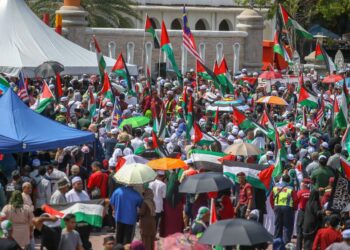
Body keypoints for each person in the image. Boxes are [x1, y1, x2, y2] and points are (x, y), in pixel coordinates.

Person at [65, 177, 91, 250]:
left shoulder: (84, 193)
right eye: (78, 184)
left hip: (85, 221)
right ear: (73, 185)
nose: (80, 185)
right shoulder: (69, 194)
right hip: (75, 222)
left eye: (81, 183)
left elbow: (89, 204)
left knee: (85, 240)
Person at [271, 174, 297, 244]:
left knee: (278, 225)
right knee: (287, 225)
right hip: (288, 208)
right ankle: (286, 243)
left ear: (282, 179)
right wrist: (294, 209)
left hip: (277, 207)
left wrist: (274, 207)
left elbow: (271, 198)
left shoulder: (275, 187)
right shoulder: (291, 188)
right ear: (289, 180)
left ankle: (276, 241)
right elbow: (295, 199)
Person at [296, 179, 311, 250]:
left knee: (299, 231)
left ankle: (298, 248)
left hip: (301, 213)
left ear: (304, 184)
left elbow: (295, 202)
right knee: (307, 231)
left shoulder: (300, 192)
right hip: (309, 214)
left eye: (302, 183)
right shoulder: (311, 193)